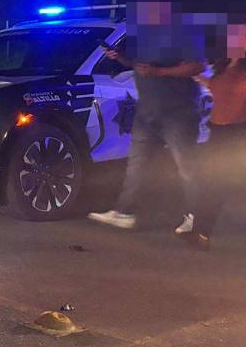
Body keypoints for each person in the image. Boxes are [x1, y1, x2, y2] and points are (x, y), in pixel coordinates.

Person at [88, 45, 205, 232]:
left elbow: (197, 67)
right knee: (137, 164)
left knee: (186, 166)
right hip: (148, 113)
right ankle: (124, 212)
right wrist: (119, 57)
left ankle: (197, 218)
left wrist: (159, 71)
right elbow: (138, 66)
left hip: (177, 113)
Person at [187, 58, 246, 248]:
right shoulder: (226, 67)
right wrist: (195, 75)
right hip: (217, 133)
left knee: (220, 183)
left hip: (235, 134)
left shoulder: (240, 71)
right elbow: (215, 86)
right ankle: (202, 232)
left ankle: (202, 231)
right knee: (214, 184)